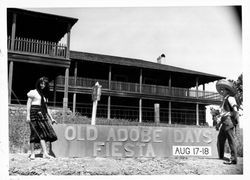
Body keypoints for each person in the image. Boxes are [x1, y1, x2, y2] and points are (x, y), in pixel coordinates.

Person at [26, 76, 57, 160]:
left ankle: (45, 153)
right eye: (41, 83)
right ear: (38, 83)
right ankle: (32, 154)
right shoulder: (33, 92)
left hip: (42, 114)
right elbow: (28, 104)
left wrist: (51, 118)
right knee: (34, 133)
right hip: (33, 113)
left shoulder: (44, 95)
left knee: (42, 133)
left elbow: (46, 108)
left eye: (44, 84)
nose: (42, 85)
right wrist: (28, 115)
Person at [215, 79, 239, 165]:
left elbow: (235, 109)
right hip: (224, 122)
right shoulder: (224, 101)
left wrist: (235, 120)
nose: (221, 91)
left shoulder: (230, 98)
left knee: (231, 141)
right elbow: (222, 114)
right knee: (220, 139)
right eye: (221, 89)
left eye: (223, 89)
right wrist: (218, 123)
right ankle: (221, 156)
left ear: (227, 91)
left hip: (229, 122)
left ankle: (233, 159)